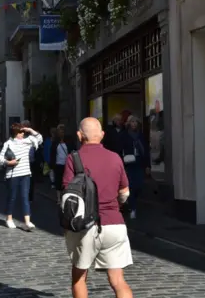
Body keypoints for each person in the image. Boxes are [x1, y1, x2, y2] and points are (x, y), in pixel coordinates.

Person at [63, 117, 133, 298]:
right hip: (114, 224)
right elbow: (124, 192)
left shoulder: (73, 159)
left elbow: (68, 193)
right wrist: (116, 204)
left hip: (86, 226)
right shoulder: (115, 158)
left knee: (79, 278)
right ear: (102, 135)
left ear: (80, 135)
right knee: (118, 280)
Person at [0, 123, 42, 230]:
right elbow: (0, 159)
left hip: (25, 173)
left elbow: (39, 139)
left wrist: (30, 130)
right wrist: (9, 162)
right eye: (19, 132)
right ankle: (9, 218)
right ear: (14, 133)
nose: (21, 134)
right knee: (12, 197)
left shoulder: (28, 141)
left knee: (25, 197)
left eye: (22, 132)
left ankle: (27, 221)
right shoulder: (8, 143)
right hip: (13, 175)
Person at [120, 116, 151, 219]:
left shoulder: (141, 136)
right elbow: (121, 149)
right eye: (132, 122)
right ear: (129, 123)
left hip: (139, 162)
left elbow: (146, 151)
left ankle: (131, 201)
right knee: (132, 186)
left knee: (140, 186)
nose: (134, 124)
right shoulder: (124, 135)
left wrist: (147, 165)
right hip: (129, 163)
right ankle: (133, 208)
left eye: (135, 122)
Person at [50, 124, 77, 203]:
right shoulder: (55, 142)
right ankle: (59, 198)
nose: (61, 133)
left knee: (67, 181)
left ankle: (66, 197)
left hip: (67, 164)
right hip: (58, 164)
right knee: (58, 181)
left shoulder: (69, 140)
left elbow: (73, 150)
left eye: (63, 131)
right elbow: (52, 153)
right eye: (60, 131)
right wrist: (52, 165)